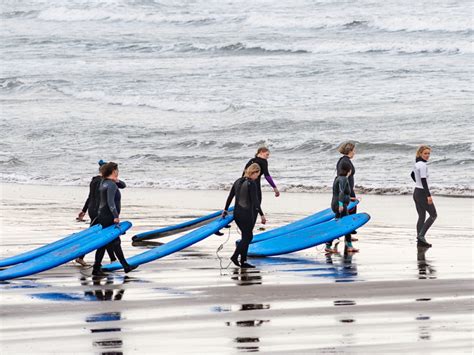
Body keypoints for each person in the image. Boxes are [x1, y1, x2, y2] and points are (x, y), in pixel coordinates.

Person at [75, 160, 124, 266]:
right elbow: (108, 199)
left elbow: (90, 197)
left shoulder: (95, 181)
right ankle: (110, 260)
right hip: (101, 211)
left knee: (100, 235)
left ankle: (111, 259)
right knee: (104, 236)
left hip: (93, 210)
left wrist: (84, 210)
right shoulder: (105, 182)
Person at [92, 162, 137, 276]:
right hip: (109, 216)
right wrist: (116, 216)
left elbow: (123, 185)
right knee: (115, 242)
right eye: (117, 170)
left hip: (102, 215)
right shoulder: (111, 185)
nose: (118, 171)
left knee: (104, 243)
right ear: (113, 171)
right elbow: (111, 202)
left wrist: (116, 180)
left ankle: (96, 267)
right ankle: (126, 266)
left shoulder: (104, 182)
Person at [223, 163, 266, 268]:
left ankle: (243, 261)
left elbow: (230, 196)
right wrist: (262, 214)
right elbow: (255, 202)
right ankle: (235, 256)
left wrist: (225, 209)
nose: (257, 177)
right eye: (257, 174)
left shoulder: (238, 181)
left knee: (245, 236)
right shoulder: (251, 183)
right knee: (248, 237)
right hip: (246, 214)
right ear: (254, 172)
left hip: (237, 214)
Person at [325, 161, 359, 253]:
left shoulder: (338, 178)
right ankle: (349, 245)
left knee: (337, 225)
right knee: (347, 224)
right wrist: (341, 205)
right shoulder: (344, 179)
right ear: (349, 170)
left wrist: (350, 198)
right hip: (340, 205)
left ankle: (328, 244)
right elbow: (341, 192)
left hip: (335, 204)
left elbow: (338, 192)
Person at [411, 145, 437, 247]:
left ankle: (420, 240)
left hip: (416, 191)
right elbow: (423, 180)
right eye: (425, 153)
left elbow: (412, 175)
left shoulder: (417, 164)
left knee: (421, 216)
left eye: (428, 153)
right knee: (433, 214)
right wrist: (428, 195)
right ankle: (421, 236)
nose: (427, 155)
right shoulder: (422, 165)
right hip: (422, 193)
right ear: (420, 153)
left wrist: (417, 183)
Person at [336, 141, 359, 241]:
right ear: (350, 150)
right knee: (346, 213)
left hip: (348, 190)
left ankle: (347, 234)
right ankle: (335, 237)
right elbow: (343, 178)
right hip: (346, 191)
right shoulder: (345, 162)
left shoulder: (343, 160)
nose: (355, 152)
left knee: (348, 212)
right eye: (354, 150)